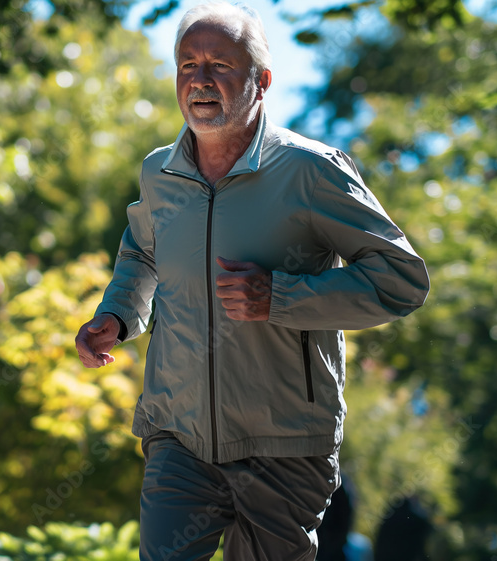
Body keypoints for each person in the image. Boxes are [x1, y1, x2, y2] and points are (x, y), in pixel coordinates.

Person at [74, 3, 429, 559]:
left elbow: (400, 280)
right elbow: (142, 251)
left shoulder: (312, 170)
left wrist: (281, 297)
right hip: (178, 432)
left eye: (220, 65)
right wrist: (117, 315)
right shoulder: (159, 172)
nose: (200, 79)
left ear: (262, 81)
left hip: (284, 444)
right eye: (188, 64)